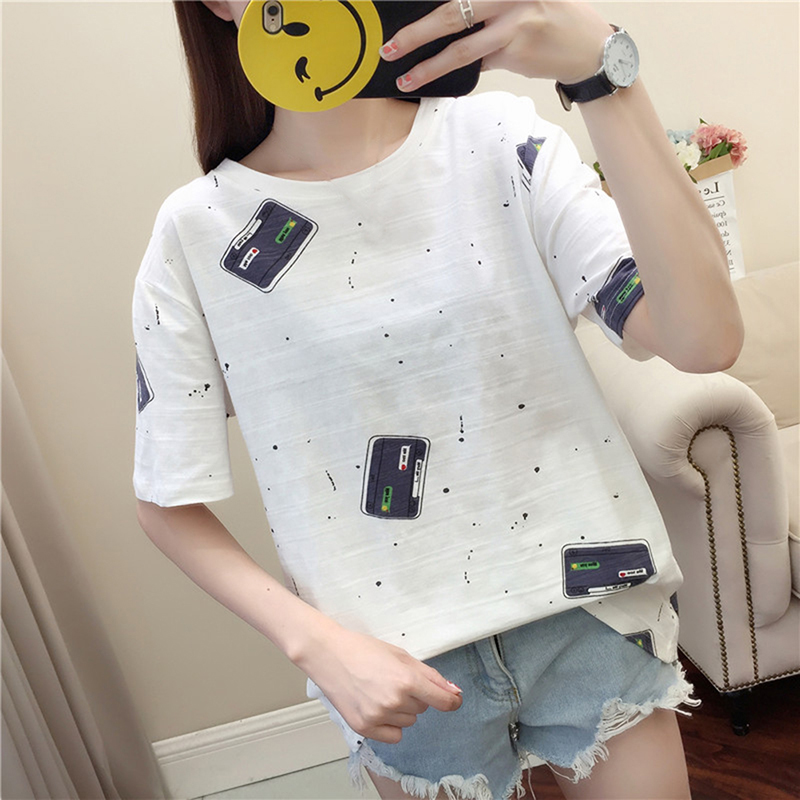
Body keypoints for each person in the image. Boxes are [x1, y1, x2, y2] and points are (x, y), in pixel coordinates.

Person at [133, 2, 744, 799]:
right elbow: (166, 500)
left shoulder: (500, 142)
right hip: (396, 663)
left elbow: (703, 339)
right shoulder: (197, 233)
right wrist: (318, 646)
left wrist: (603, 76)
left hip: (593, 610)